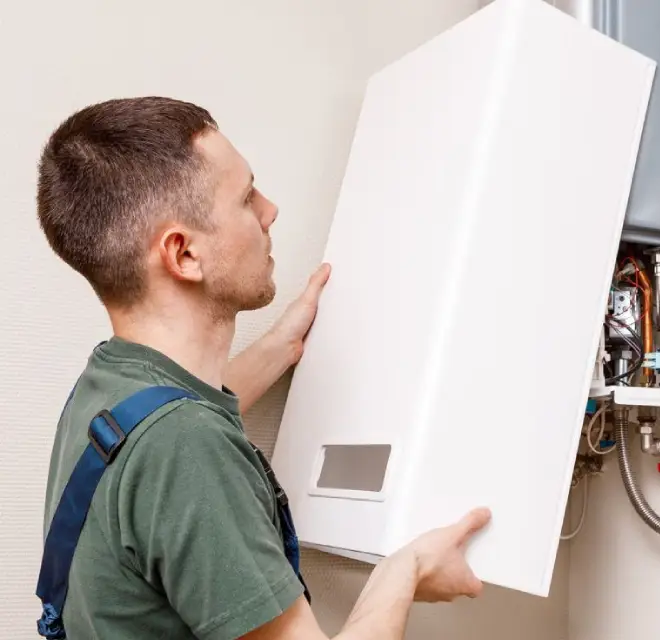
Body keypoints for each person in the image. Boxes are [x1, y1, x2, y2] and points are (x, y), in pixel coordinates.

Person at [35, 96, 491, 640]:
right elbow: (183, 449)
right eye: (247, 197)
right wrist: (406, 568)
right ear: (183, 255)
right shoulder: (186, 449)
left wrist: (281, 345)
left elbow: (172, 425)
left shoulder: (111, 386)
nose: (270, 210)